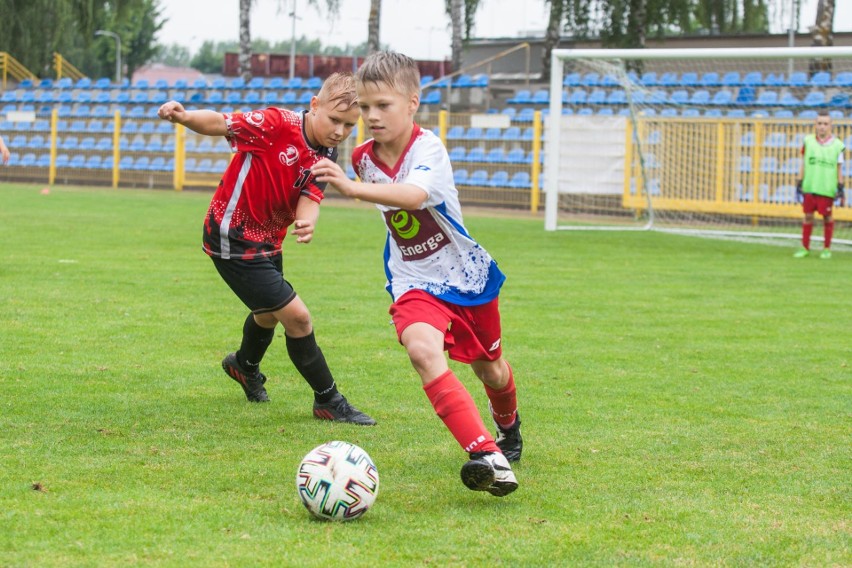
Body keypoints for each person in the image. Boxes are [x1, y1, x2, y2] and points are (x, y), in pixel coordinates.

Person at [312, 51, 522, 497]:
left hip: (467, 277)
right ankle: (486, 454)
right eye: (365, 107)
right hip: (411, 279)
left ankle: (508, 427)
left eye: (382, 106)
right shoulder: (364, 156)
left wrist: (351, 189)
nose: (371, 117)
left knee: (492, 371)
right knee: (422, 351)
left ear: (412, 102)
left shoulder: (429, 149)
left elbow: (413, 195)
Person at [157, 72, 375, 425]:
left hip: (268, 238)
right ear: (315, 106)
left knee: (268, 313)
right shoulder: (276, 123)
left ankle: (243, 365)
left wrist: (308, 220)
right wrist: (184, 117)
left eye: (349, 125)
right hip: (233, 233)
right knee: (298, 317)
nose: (339, 131)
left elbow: (310, 194)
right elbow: (221, 122)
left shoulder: (327, 150)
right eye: (335, 120)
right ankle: (328, 400)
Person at [794, 109, 846, 259]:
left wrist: (841, 187)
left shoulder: (838, 145)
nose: (822, 126)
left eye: (825, 124)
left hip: (827, 188)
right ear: (815, 125)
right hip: (810, 186)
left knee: (827, 217)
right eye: (819, 123)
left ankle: (827, 248)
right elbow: (803, 163)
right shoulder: (808, 141)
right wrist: (799, 181)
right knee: (808, 216)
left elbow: (839, 168)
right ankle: (805, 247)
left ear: (831, 126)